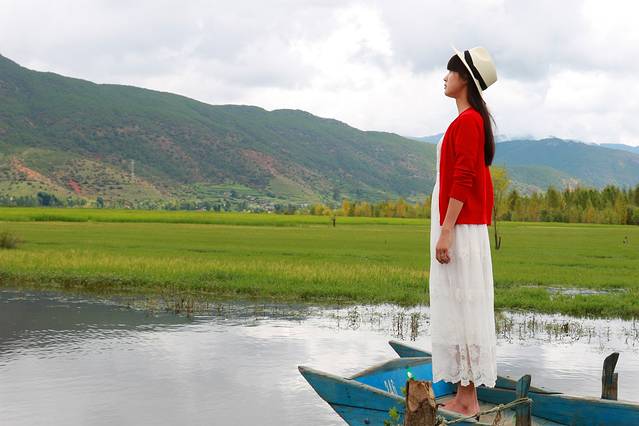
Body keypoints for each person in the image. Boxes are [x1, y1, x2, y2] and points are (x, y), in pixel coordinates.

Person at [429, 45, 498, 418]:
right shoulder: (467, 121)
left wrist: (447, 230)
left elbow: (464, 177)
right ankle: (463, 393)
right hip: (460, 225)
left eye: (450, 71)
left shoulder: (469, 121)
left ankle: (467, 399)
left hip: (461, 226)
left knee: (463, 306)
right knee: (459, 305)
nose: (444, 77)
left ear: (464, 79)